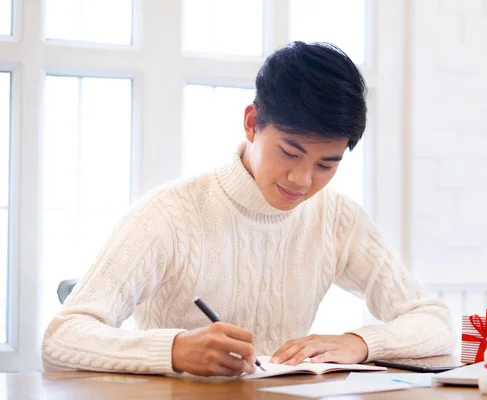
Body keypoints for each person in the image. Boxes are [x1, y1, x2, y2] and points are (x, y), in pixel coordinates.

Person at [42, 41, 456, 377]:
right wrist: (174, 350)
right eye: (290, 152)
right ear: (252, 122)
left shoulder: (337, 218)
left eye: (326, 164)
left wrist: (360, 344)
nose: (302, 179)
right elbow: (63, 336)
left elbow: (435, 323)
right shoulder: (169, 214)